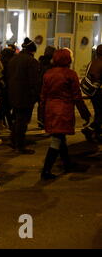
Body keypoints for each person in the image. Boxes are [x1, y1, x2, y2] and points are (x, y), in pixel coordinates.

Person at [39, 49, 91, 180]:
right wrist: (85, 113)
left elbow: (43, 96)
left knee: (60, 137)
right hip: (63, 110)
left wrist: (41, 113)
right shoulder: (70, 74)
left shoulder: (48, 74)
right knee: (57, 139)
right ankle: (46, 170)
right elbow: (77, 97)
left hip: (51, 109)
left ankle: (67, 163)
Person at [7, 37, 40, 154]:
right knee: (22, 121)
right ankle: (19, 145)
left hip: (13, 95)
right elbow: (34, 82)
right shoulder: (32, 62)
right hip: (25, 97)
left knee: (17, 119)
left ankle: (13, 140)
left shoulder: (13, 60)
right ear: (32, 50)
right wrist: (36, 96)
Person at [81, 44, 102, 143]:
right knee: (100, 114)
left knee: (98, 113)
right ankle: (89, 129)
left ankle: (96, 134)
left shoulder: (92, 62)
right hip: (99, 92)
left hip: (91, 92)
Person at [0, 47, 15, 130]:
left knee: (4, 109)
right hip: (7, 89)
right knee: (4, 109)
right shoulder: (8, 64)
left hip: (4, 90)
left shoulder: (1, 63)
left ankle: (10, 125)